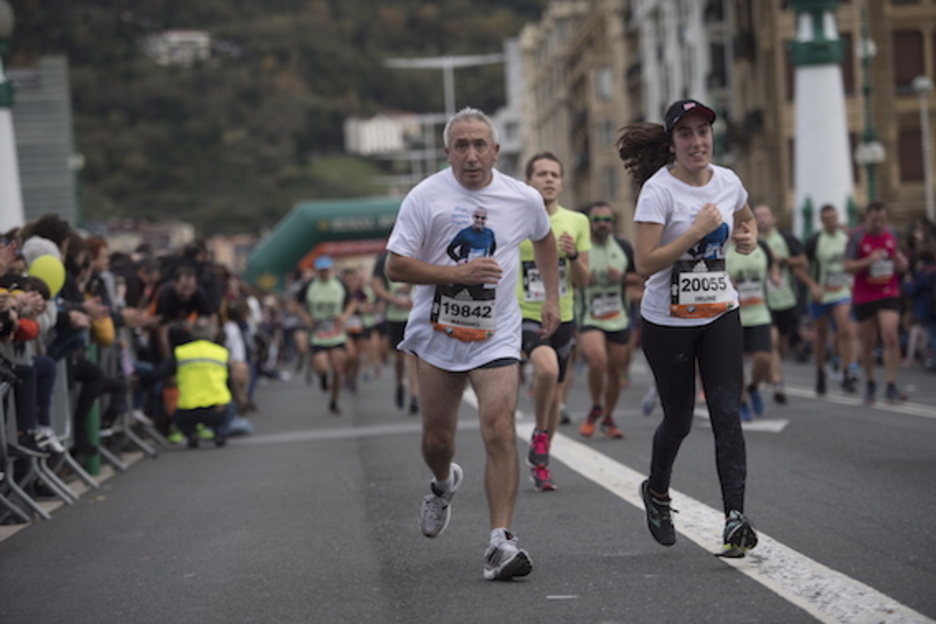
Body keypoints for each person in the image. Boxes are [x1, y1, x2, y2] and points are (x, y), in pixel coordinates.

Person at [385, 107, 559, 581]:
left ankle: (499, 542)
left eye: (480, 144)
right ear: (448, 152)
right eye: (461, 145)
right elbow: (396, 267)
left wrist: (550, 298)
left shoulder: (522, 198)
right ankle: (443, 484)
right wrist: (453, 273)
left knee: (500, 426)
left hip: (495, 332)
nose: (471, 154)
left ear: (496, 151)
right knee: (437, 439)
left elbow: (545, 239)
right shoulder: (426, 197)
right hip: (438, 334)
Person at [617, 98, 759, 557]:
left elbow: (746, 217)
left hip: (720, 311)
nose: (697, 142)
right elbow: (644, 265)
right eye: (686, 134)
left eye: (703, 132)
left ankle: (735, 518)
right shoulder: (659, 192)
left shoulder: (728, 181)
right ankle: (657, 491)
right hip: (668, 321)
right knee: (678, 417)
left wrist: (747, 235)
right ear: (672, 143)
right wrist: (696, 231)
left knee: (725, 413)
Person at [519, 152, 590, 492]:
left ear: (562, 183)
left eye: (554, 174)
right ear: (528, 181)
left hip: (564, 315)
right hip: (525, 315)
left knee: (556, 394)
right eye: (541, 174)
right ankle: (538, 433)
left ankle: (542, 460)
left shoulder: (577, 222)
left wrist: (573, 255)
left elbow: (585, 280)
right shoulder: (515, 219)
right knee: (545, 370)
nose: (548, 179)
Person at [576, 201, 639, 438]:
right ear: (590, 223)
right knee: (597, 361)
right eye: (597, 220)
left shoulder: (623, 246)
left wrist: (621, 277)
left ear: (613, 223)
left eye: (606, 220)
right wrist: (584, 278)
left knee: (615, 370)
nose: (602, 225)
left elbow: (639, 277)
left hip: (618, 316)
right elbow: (570, 279)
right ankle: (595, 406)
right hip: (590, 315)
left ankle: (608, 417)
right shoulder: (582, 247)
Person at [844, 201, 909, 404]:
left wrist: (902, 264)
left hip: (888, 291)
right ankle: (871, 382)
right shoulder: (857, 237)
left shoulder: (892, 234)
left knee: (890, 335)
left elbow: (899, 260)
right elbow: (847, 265)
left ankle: (891, 384)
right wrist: (868, 261)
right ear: (867, 218)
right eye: (874, 220)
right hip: (864, 295)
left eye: (882, 219)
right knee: (868, 343)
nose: (879, 224)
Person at [140, 318, 234, 449]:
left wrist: (140, 383)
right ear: (212, 334)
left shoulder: (181, 353)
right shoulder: (221, 353)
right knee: (231, 405)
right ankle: (220, 434)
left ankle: (190, 434)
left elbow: (158, 373)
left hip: (187, 411)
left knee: (177, 413)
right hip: (217, 410)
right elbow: (230, 382)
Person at [794, 204, 858, 396]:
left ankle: (847, 373)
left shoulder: (846, 238)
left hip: (841, 291)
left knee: (845, 330)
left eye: (834, 218)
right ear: (822, 221)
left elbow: (851, 263)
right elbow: (799, 269)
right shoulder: (815, 241)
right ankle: (820, 370)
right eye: (827, 219)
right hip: (820, 294)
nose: (832, 222)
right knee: (821, 336)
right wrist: (813, 286)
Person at [753, 204, 807, 403]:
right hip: (762, 300)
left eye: (765, 215)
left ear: (773, 218)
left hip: (786, 297)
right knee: (772, 341)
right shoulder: (751, 242)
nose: (761, 219)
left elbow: (803, 261)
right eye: (757, 216)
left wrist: (781, 260)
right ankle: (777, 381)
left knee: (782, 343)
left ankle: (774, 370)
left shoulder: (784, 238)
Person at [727, 232, 777, 420]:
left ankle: (754, 387)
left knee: (764, 357)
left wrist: (774, 275)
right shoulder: (725, 251)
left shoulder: (761, 247)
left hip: (759, 312)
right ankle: (742, 401)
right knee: (737, 362)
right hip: (734, 314)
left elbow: (773, 266)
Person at [303, 255, 354, 416]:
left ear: (330, 270)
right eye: (321, 271)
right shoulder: (309, 285)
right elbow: (294, 304)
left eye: (326, 270)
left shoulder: (340, 284)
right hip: (318, 333)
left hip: (336, 332)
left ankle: (334, 401)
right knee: (322, 366)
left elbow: (353, 302)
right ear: (317, 271)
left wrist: (345, 316)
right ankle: (323, 378)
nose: (324, 273)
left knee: (338, 368)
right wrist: (306, 318)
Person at [372, 250, 420, 414]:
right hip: (394, 316)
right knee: (399, 359)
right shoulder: (383, 260)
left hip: (414, 315)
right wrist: (393, 300)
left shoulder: (417, 255)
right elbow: (376, 285)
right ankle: (399, 384)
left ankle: (414, 395)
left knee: (413, 356)